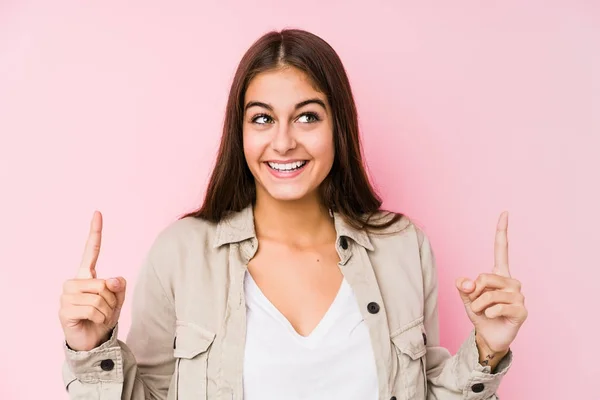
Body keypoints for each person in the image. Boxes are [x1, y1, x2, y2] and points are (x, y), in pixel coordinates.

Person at [58, 28, 527, 400]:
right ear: (239, 132)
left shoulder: (403, 247)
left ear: (337, 126)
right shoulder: (181, 253)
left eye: (307, 116)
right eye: (262, 118)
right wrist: (91, 348)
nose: (283, 142)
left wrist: (488, 348)